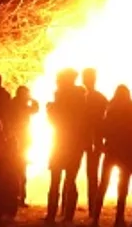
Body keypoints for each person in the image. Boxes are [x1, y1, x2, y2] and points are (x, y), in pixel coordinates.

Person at [46, 69, 86, 223]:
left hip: (61, 142)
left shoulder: (61, 97)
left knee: (56, 180)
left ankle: (52, 215)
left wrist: (50, 109)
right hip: (74, 144)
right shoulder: (80, 97)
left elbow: (55, 120)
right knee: (70, 180)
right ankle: (67, 216)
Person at [100, 85, 132, 227]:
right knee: (123, 186)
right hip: (127, 151)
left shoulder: (111, 108)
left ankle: (95, 218)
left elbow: (103, 128)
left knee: (103, 183)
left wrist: (103, 144)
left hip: (111, 149)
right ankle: (119, 218)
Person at [79, 68, 109, 221]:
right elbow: (105, 121)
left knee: (72, 175)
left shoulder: (79, 97)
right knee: (92, 175)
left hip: (80, 140)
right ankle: (92, 209)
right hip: (92, 141)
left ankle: (68, 210)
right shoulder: (100, 98)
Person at [9, 86, 40, 205]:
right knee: (20, 170)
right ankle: (19, 197)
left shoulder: (13, 104)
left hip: (18, 141)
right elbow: (35, 109)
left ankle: (18, 196)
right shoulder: (21, 106)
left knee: (18, 170)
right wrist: (32, 99)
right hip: (20, 141)